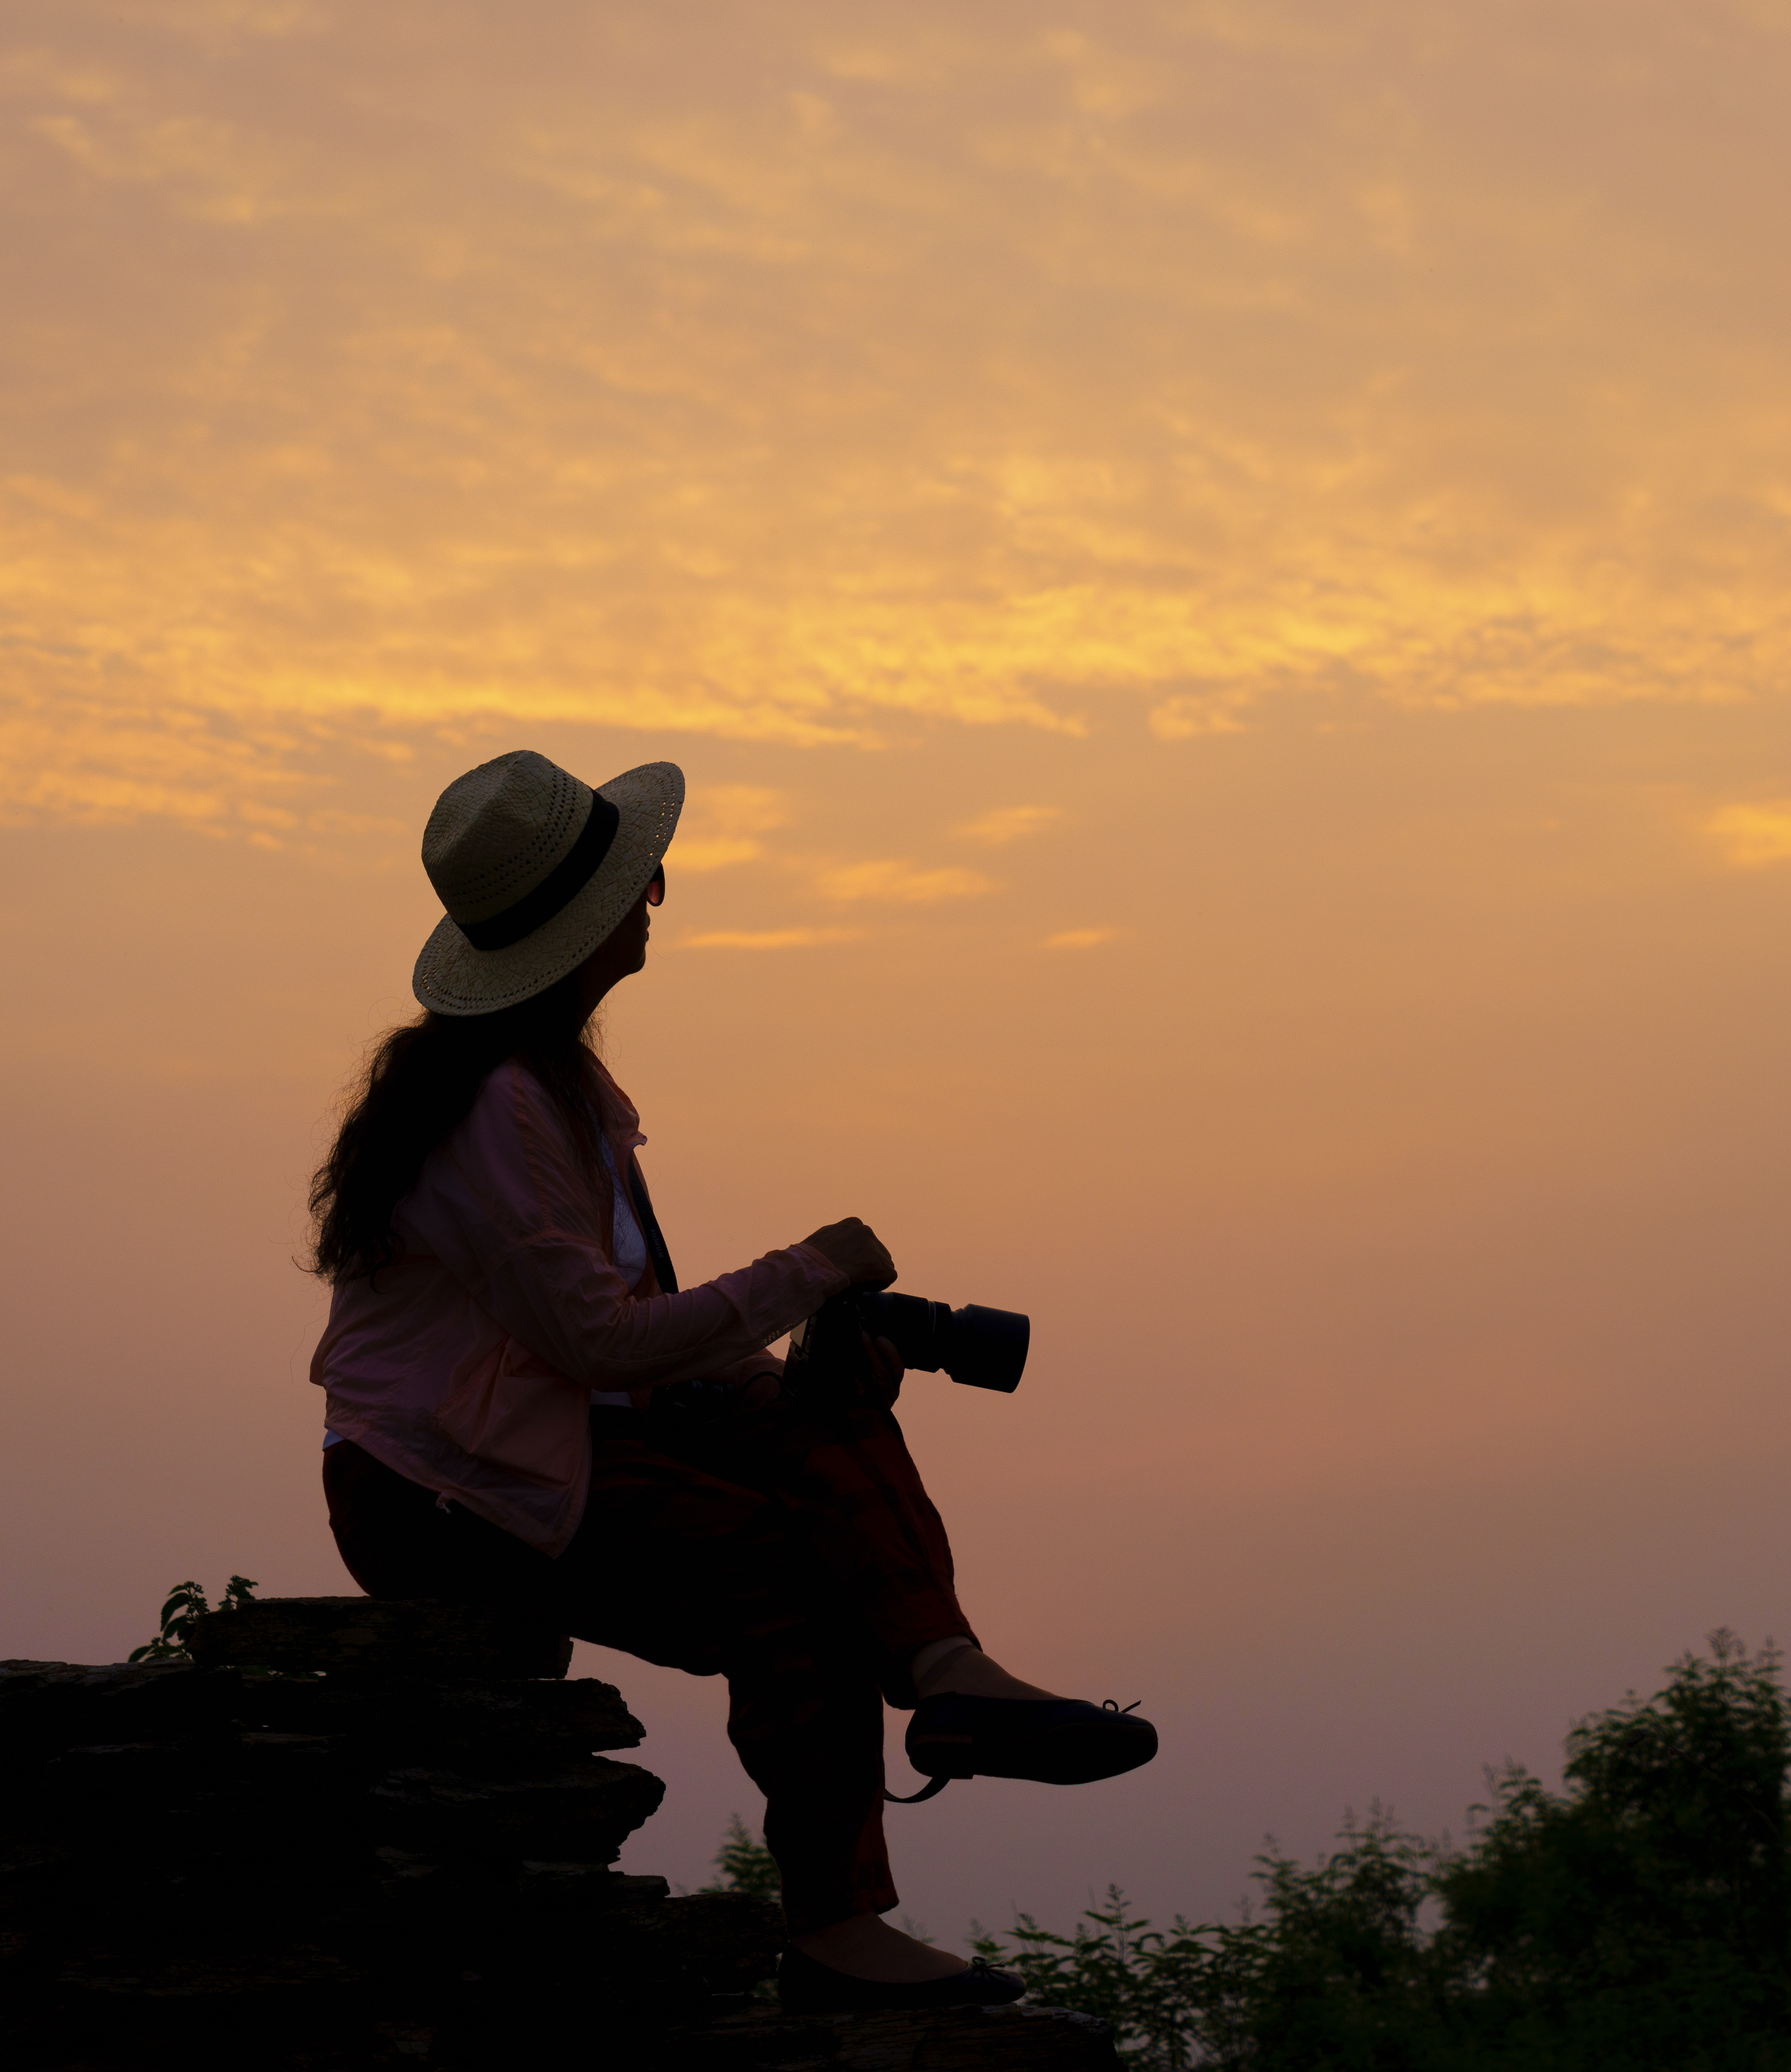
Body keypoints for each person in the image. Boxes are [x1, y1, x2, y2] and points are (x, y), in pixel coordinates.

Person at [305, 750, 1155, 2013]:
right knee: (773, 1568)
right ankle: (832, 1927)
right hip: (444, 1491)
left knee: (817, 1421)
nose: (657, 896)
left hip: (559, 1440)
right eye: (633, 882)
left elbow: (615, 1340)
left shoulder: (561, 1092)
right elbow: (599, 1346)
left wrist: (795, 1357)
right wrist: (806, 1270)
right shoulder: (498, 1112)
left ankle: (948, 1675)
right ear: (581, 929)